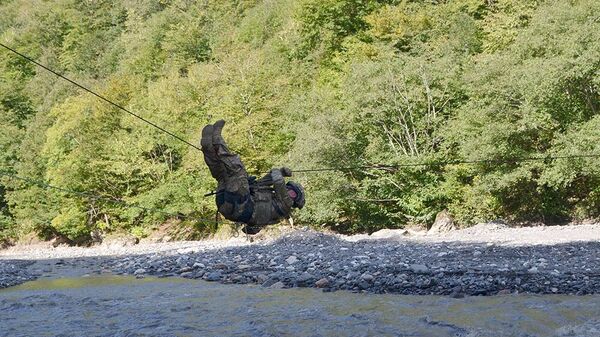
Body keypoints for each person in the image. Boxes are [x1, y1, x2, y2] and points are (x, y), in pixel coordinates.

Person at [200, 120, 305, 234]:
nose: (289, 192)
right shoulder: (273, 203)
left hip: (239, 205)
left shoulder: (286, 204)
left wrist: (278, 173)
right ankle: (208, 147)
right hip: (226, 203)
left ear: (295, 201)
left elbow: (278, 181)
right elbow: (265, 181)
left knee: (238, 172)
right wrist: (282, 171)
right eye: (290, 189)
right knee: (223, 174)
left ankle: (217, 140)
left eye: (293, 194)